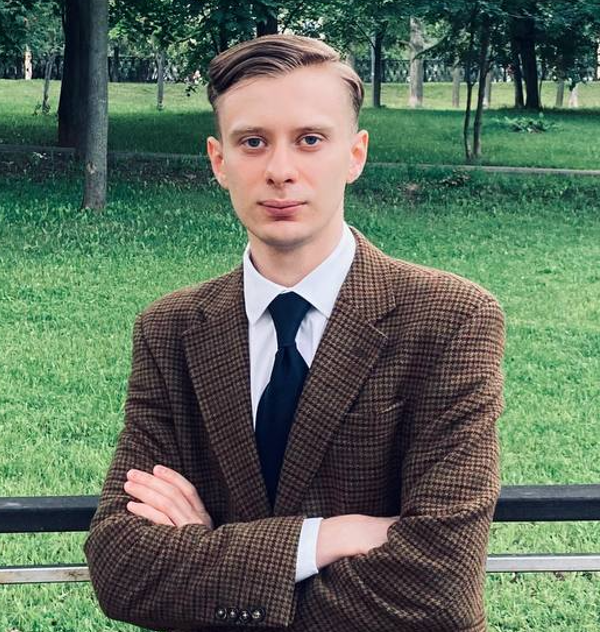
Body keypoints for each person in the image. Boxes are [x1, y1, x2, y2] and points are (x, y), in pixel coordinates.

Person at [84, 34, 505, 632]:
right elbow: (122, 568)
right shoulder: (171, 329)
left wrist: (215, 551)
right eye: (253, 142)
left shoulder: (450, 318)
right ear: (219, 161)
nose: (280, 171)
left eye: (310, 140)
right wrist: (326, 537)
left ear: (354, 155)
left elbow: (439, 586)